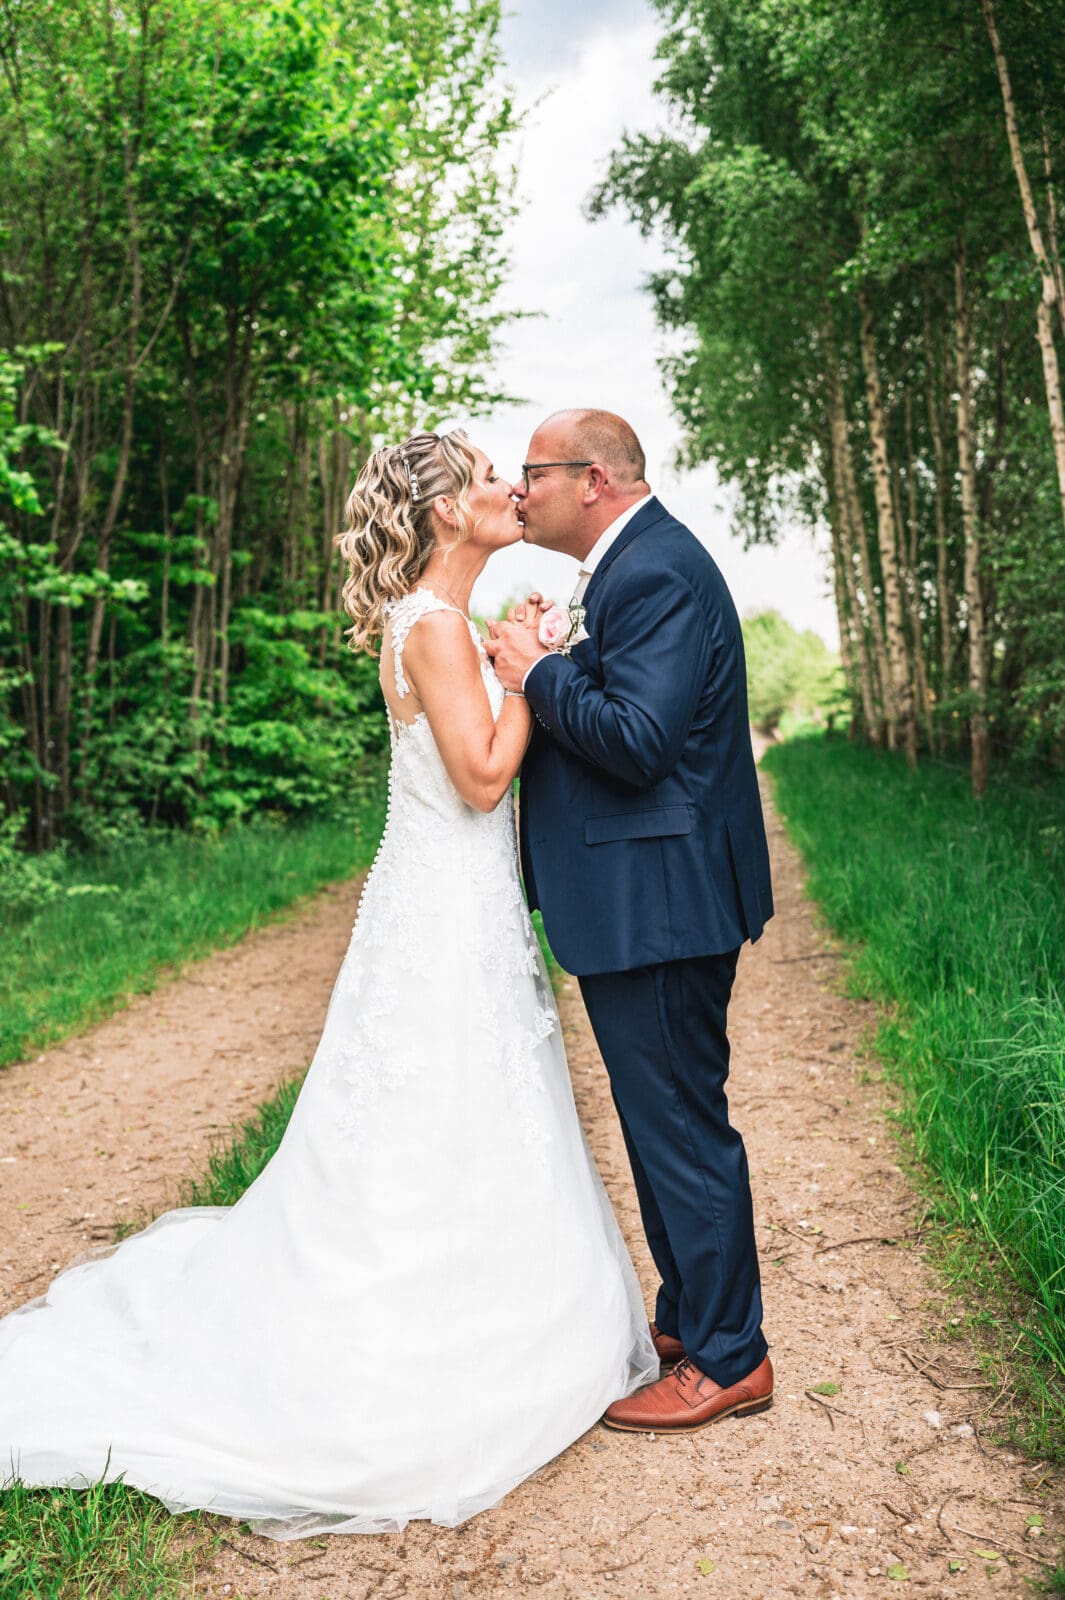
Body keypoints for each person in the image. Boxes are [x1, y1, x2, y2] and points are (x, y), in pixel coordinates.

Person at [0, 429, 656, 1537]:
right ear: (446, 512)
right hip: (442, 910)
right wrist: (534, 677)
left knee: (445, 1113)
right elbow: (487, 779)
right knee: (439, 1110)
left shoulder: (423, 622)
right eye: (487, 477)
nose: (507, 489)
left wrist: (523, 661)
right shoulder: (438, 628)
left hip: (445, 904)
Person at [485, 408, 775, 1434]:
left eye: (534, 474)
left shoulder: (651, 570)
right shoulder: (628, 567)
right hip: (651, 897)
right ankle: (694, 1316)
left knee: (681, 1128)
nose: (521, 493)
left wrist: (535, 671)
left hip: (663, 901)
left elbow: (641, 740)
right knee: (662, 1126)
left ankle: (731, 1356)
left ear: (593, 479)